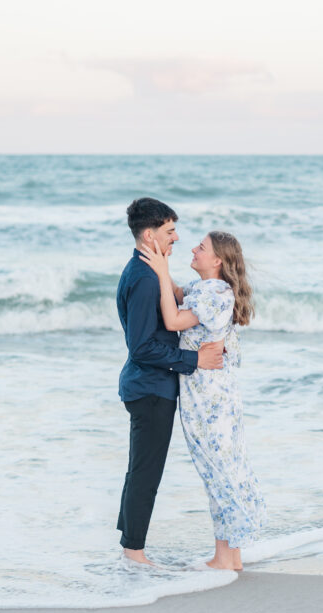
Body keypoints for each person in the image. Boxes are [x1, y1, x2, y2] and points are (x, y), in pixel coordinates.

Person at [139, 231, 267, 570]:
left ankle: (226, 558)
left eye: (201, 247)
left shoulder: (216, 292)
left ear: (217, 261)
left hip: (210, 398)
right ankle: (229, 556)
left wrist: (163, 268)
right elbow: (179, 294)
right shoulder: (207, 289)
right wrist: (161, 268)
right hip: (209, 393)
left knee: (218, 469)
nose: (193, 249)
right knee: (220, 468)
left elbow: (173, 319)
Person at [116, 198, 225, 566]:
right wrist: (195, 360)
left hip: (148, 386)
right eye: (169, 231)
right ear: (150, 235)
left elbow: (181, 301)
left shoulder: (143, 272)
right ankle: (134, 552)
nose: (177, 238)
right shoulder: (145, 279)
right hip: (150, 388)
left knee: (140, 469)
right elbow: (143, 347)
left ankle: (130, 545)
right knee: (146, 472)